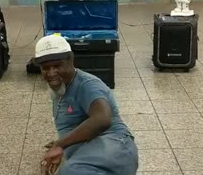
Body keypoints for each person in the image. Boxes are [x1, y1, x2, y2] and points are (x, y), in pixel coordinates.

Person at [34, 34, 139, 175]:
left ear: (70, 59)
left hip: (116, 145)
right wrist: (63, 141)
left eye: (57, 66)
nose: (51, 73)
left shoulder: (88, 85)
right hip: (93, 150)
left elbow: (102, 119)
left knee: (70, 172)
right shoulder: (62, 87)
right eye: (45, 68)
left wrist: (61, 144)